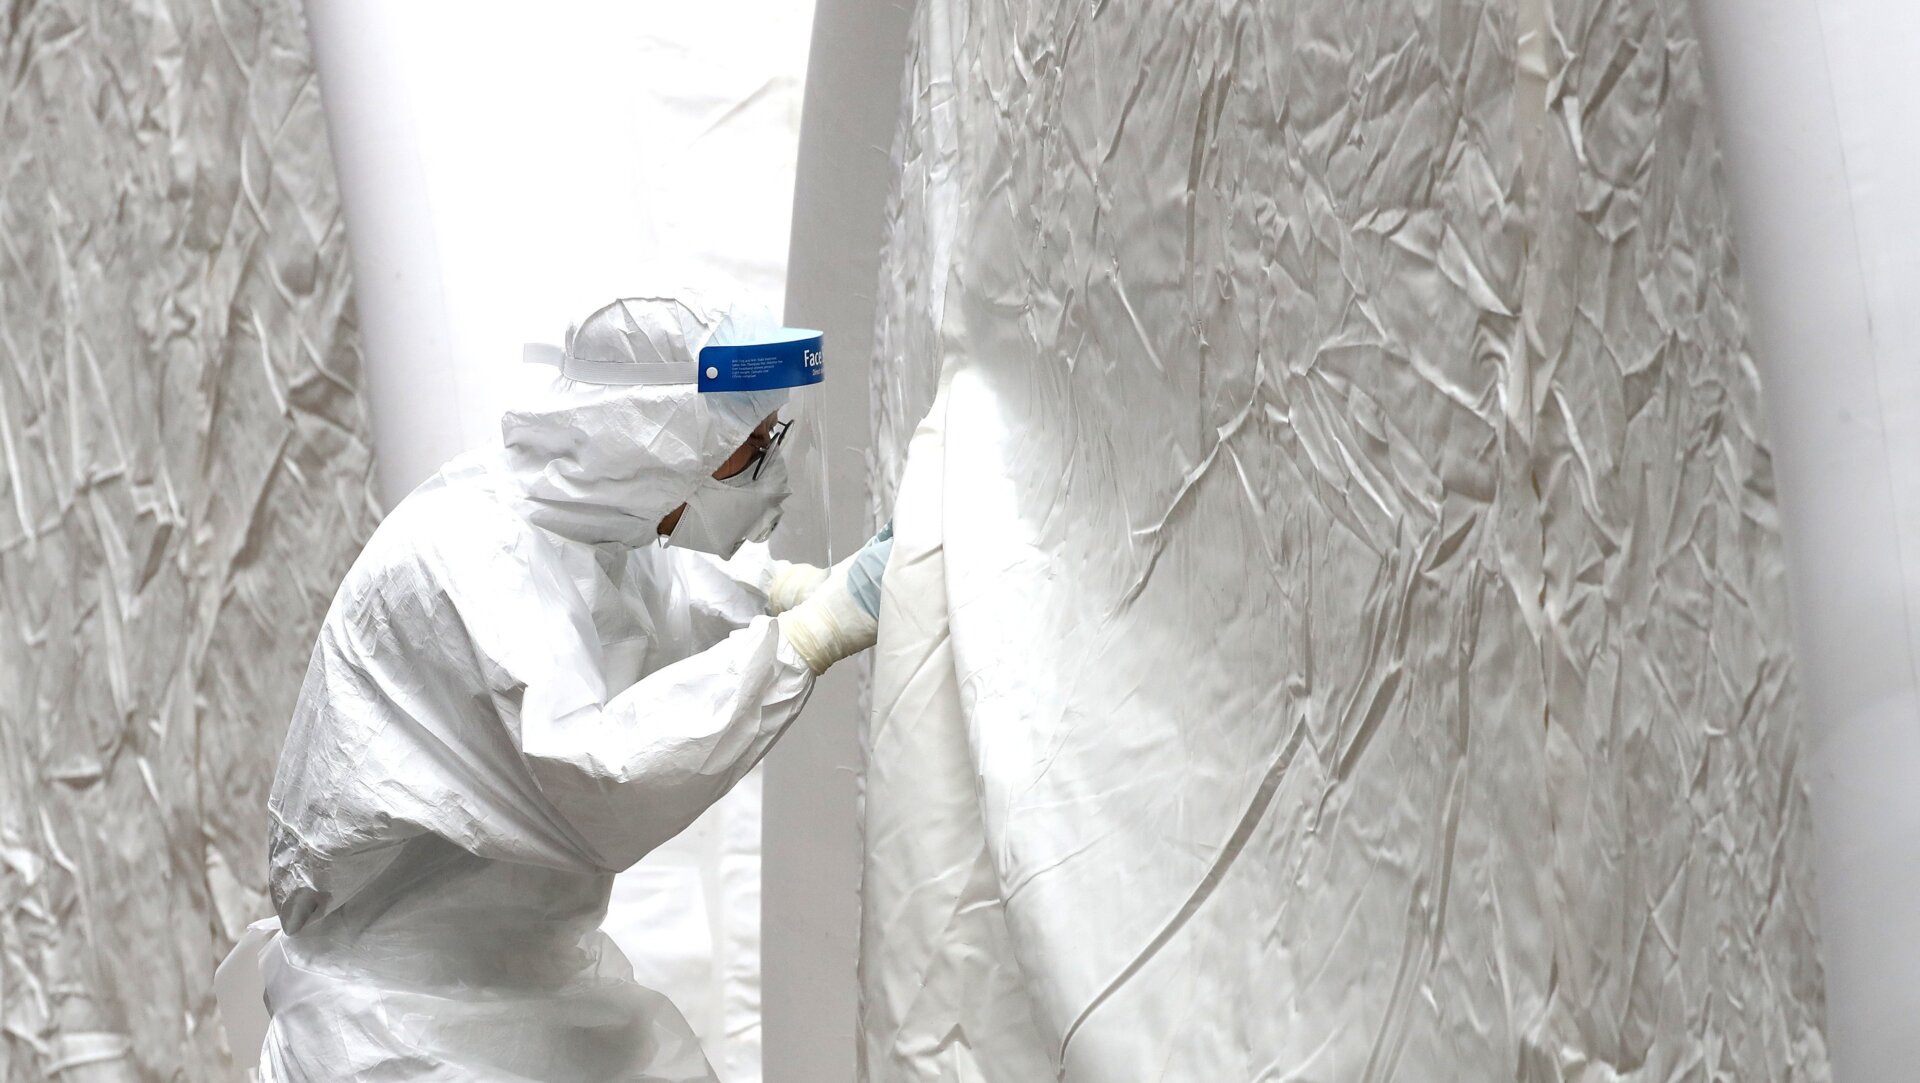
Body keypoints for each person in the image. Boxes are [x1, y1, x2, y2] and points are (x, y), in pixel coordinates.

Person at [250, 291, 890, 1082]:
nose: (770, 471)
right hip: (398, 1032)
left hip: (508, 995)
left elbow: (654, 598)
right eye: (750, 447)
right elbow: (597, 776)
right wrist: (809, 636)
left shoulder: (580, 526)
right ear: (654, 442)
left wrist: (778, 590)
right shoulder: (476, 559)